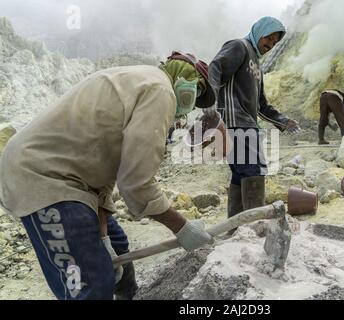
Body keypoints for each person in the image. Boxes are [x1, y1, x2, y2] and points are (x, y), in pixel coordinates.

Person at [0, 52, 216, 300]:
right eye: (197, 93)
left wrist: (103, 238)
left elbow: (103, 178)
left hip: (73, 181)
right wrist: (182, 228)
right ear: (186, 83)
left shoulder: (140, 81)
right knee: (89, 284)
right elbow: (137, 184)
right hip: (43, 178)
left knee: (118, 249)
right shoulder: (161, 91)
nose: (192, 103)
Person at [208, 17, 300, 227]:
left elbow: (261, 106)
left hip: (247, 124)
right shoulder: (239, 46)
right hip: (234, 122)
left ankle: (236, 228)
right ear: (259, 32)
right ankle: (254, 228)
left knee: (241, 174)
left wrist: (283, 121)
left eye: (275, 43)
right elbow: (215, 67)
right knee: (254, 170)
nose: (270, 45)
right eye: (268, 38)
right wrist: (211, 104)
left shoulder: (256, 64)